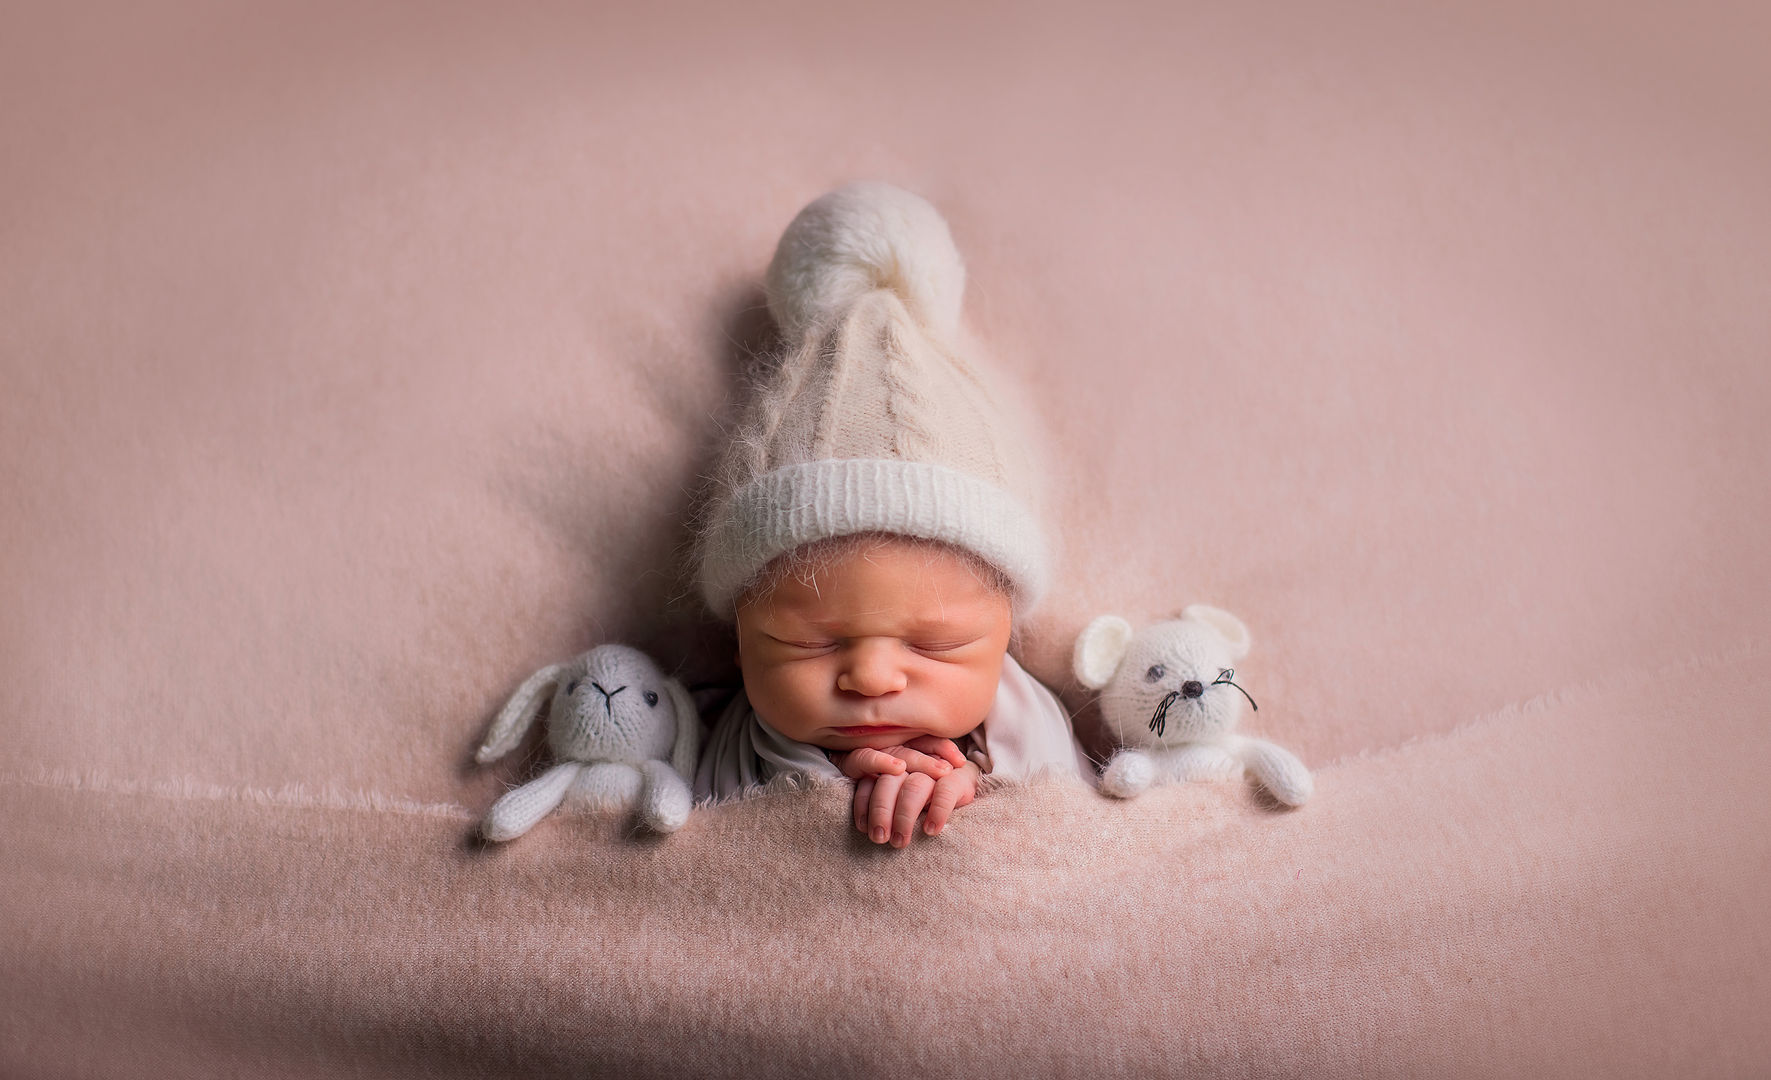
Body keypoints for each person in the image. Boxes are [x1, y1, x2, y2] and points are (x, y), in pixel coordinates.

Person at [690, 181, 1092, 846]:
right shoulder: (740, 734)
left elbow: (1068, 815)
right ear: (739, 643)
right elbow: (712, 827)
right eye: (809, 643)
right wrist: (823, 779)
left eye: (936, 644)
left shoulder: (1021, 713)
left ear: (1004, 639)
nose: (872, 679)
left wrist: (975, 785)